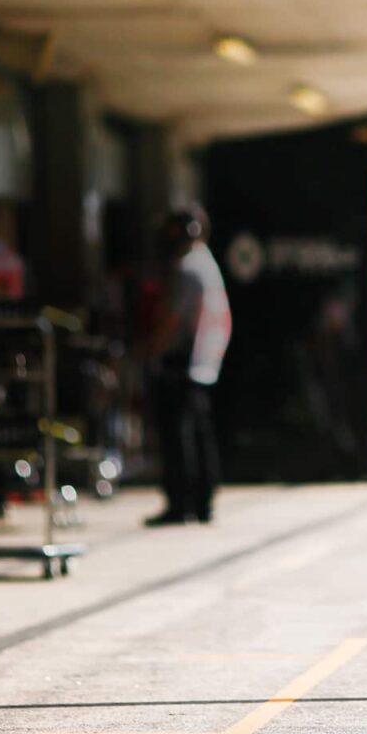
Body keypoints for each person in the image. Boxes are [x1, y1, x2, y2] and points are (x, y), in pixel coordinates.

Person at [145, 207, 232, 526]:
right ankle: (201, 500)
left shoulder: (188, 267)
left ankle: (182, 502)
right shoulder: (206, 262)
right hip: (203, 360)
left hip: (183, 359)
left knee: (178, 435)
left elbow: (174, 317)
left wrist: (153, 347)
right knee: (197, 431)